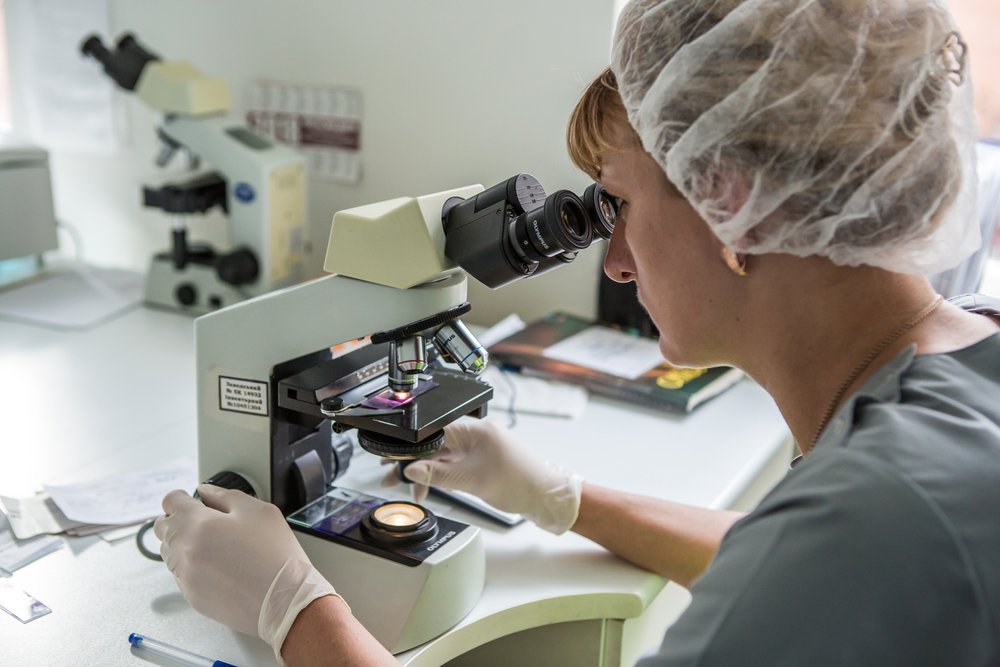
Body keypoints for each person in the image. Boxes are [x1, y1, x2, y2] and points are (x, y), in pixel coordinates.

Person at [154, 0, 1000, 664]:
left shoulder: (883, 515)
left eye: (618, 206)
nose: (618, 262)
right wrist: (560, 496)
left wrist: (294, 610)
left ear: (732, 204)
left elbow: (831, 557)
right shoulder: (964, 368)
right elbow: (799, 570)